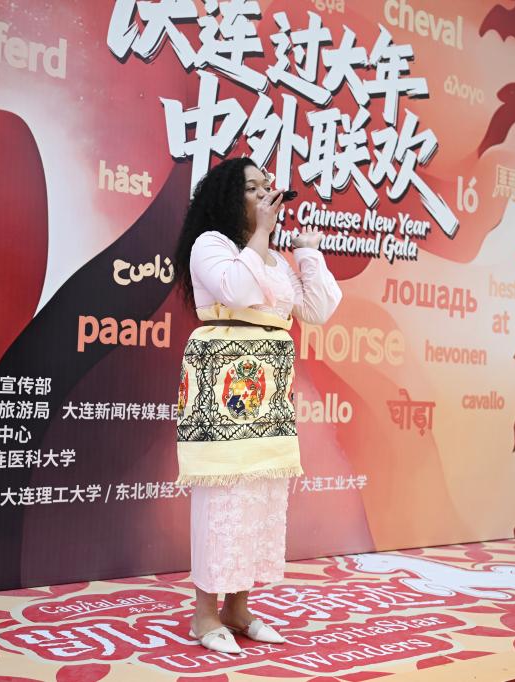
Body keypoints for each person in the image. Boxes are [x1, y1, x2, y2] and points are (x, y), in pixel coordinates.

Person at [173, 157, 342, 654]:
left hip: (268, 385)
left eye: (267, 185)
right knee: (222, 495)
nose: (266, 193)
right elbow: (237, 291)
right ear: (229, 197)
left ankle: (238, 609)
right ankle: (204, 616)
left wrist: (307, 254)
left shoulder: (273, 258)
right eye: (252, 188)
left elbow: (318, 310)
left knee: (259, 495)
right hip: (222, 379)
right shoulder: (212, 244)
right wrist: (263, 234)